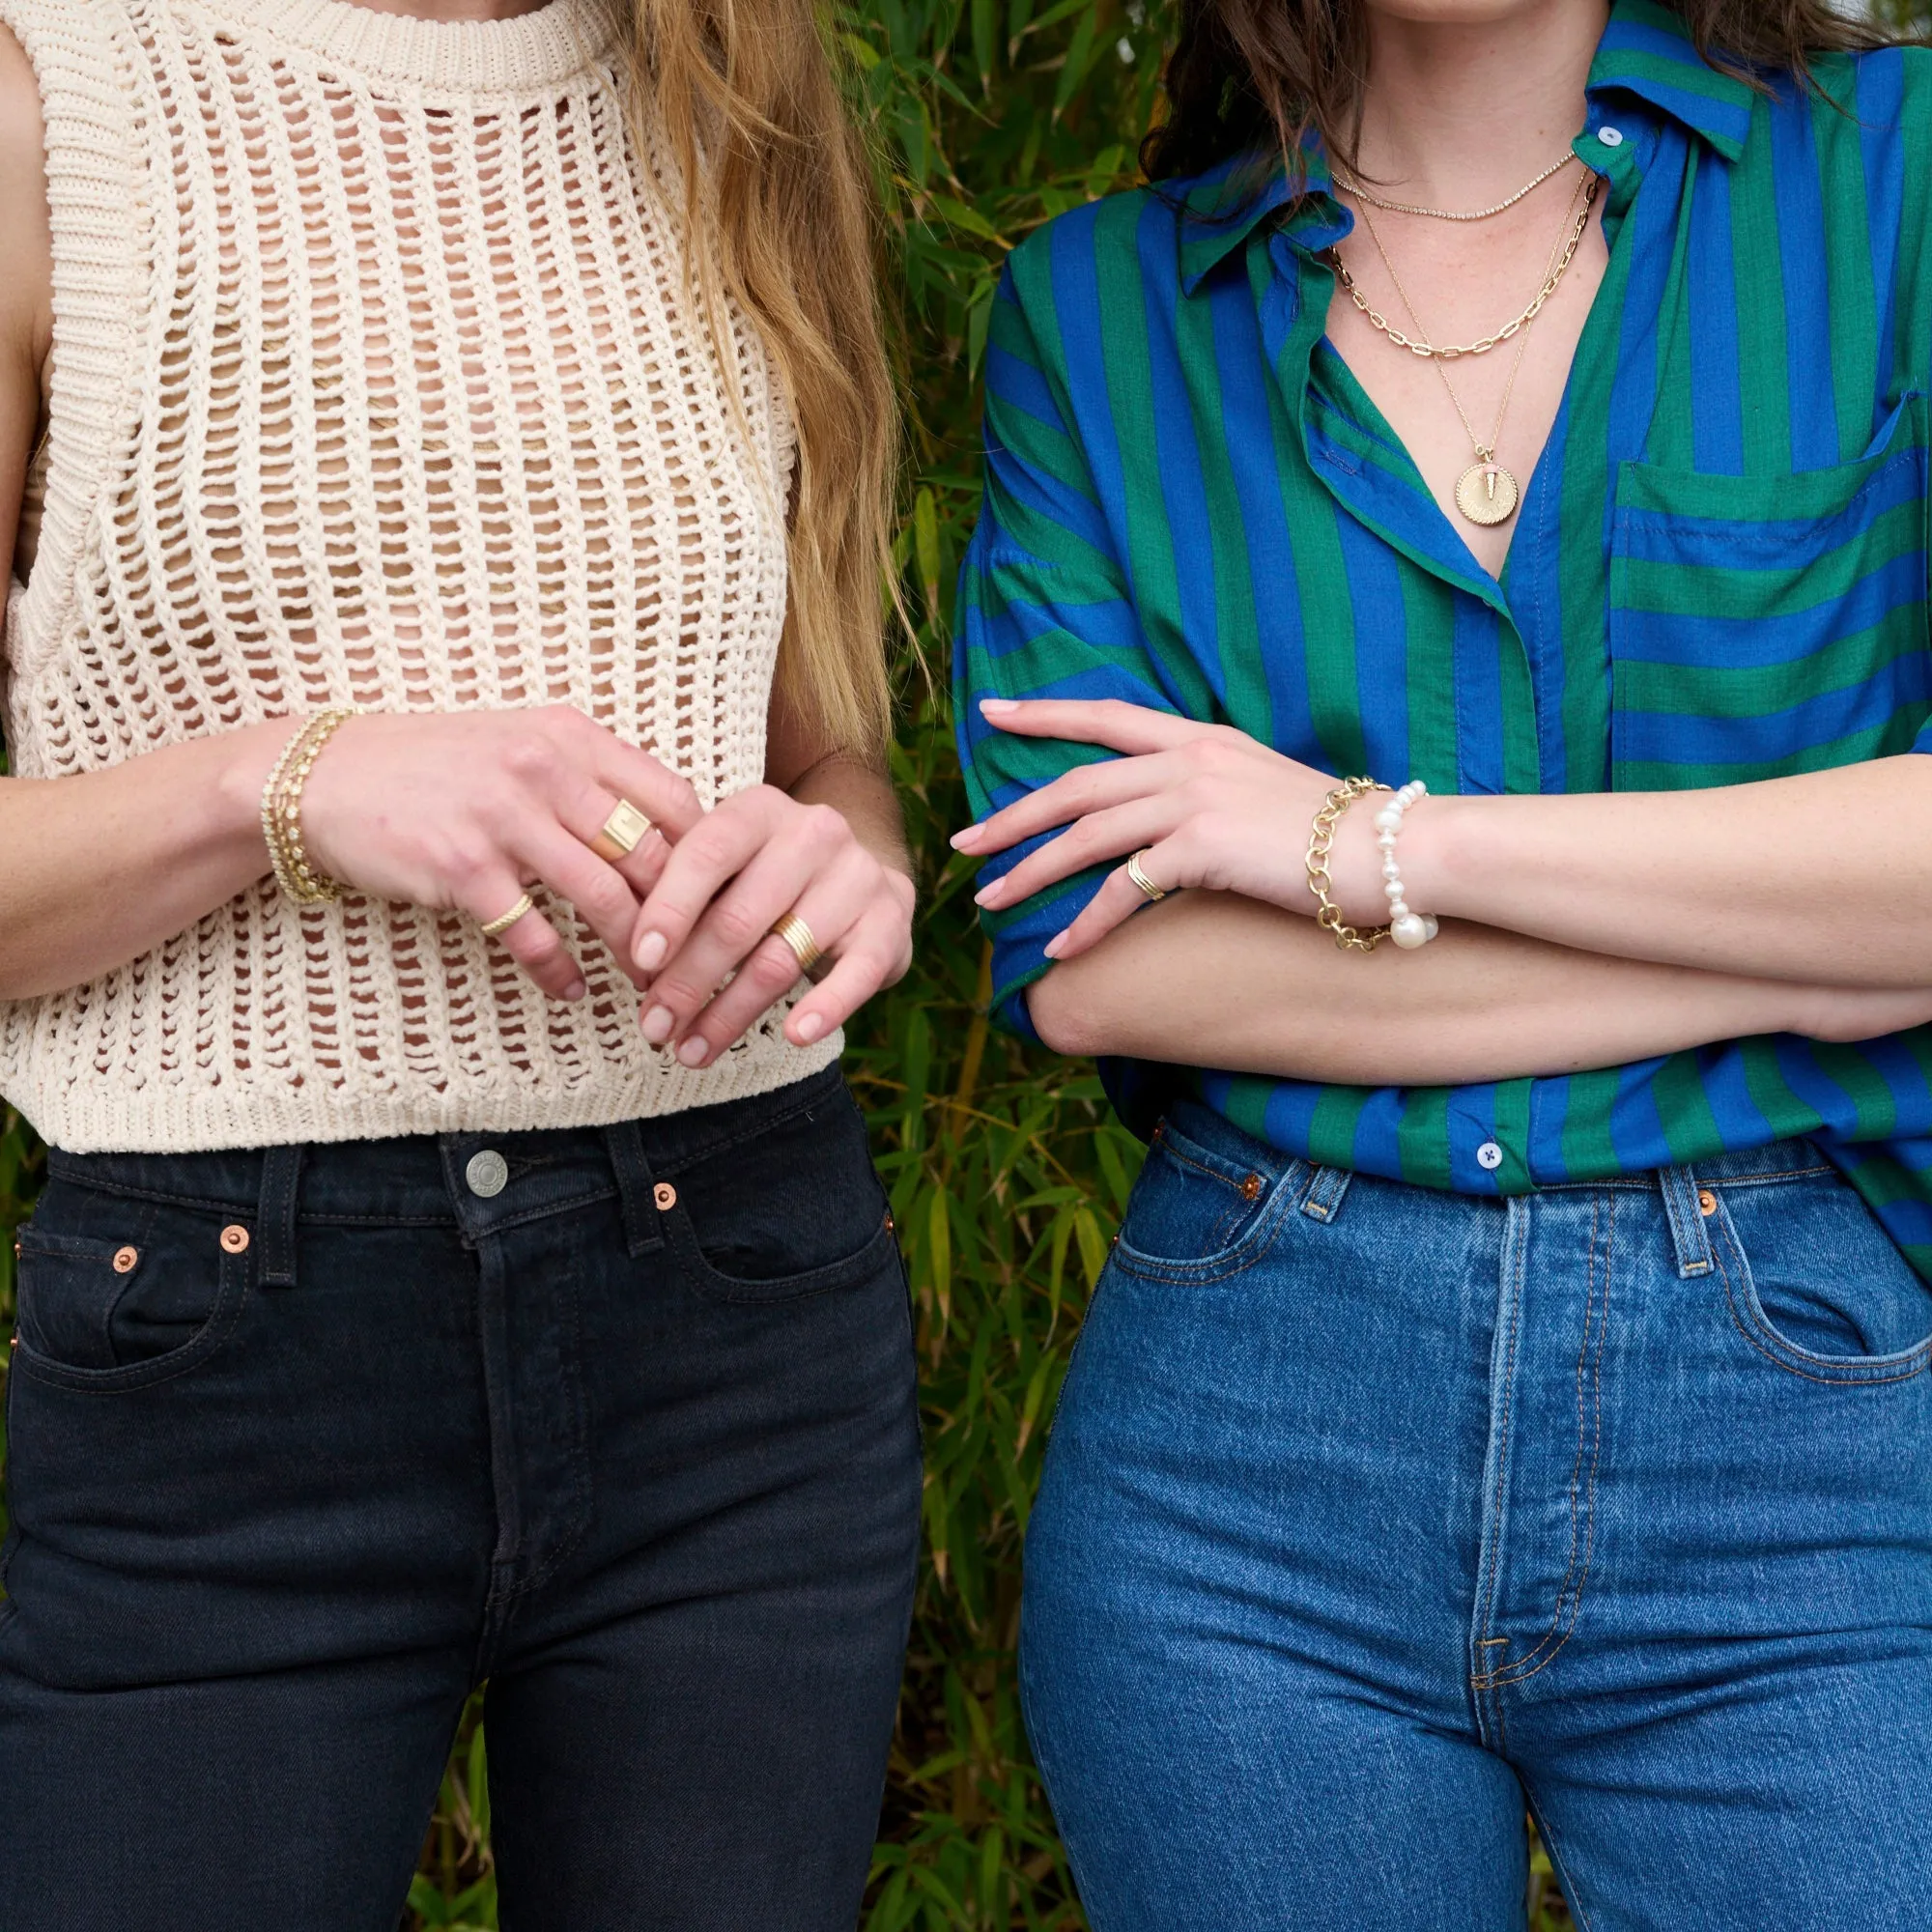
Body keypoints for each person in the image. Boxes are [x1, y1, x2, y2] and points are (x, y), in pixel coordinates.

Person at [953, 0, 1932, 1924]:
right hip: (1246, 1465)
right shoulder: (1099, 314)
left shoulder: (1886, 182)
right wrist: (1809, 953)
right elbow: (1102, 969)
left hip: (1816, 1449)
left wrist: (1359, 845)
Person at [0, 1, 920, 1925]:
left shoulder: (728, 90)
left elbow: (820, 747)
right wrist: (280, 781)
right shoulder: (49, 97)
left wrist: (852, 861)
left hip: (738, 1311)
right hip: (233, 1348)